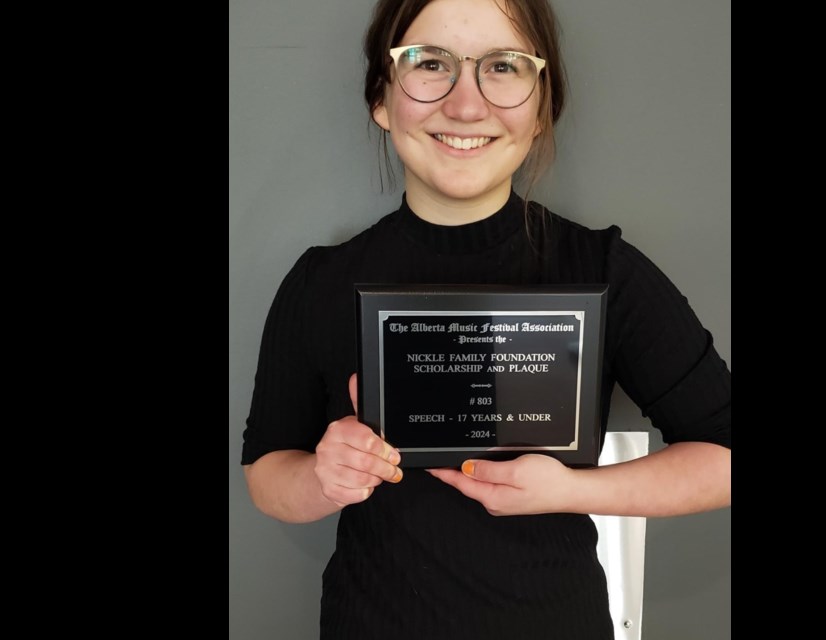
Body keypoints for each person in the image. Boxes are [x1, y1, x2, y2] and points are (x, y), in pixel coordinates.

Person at [241, 0, 731, 638]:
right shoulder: (320, 280)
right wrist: (323, 477)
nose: (467, 105)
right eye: (429, 63)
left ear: (541, 105)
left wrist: (569, 491)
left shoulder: (604, 268)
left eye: (502, 66)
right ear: (382, 99)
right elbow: (265, 475)